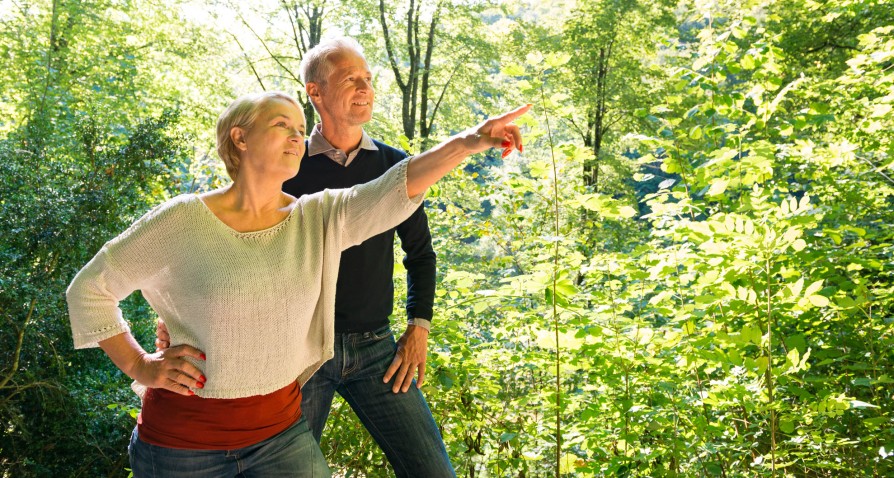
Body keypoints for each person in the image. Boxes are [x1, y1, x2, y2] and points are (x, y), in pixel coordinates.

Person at [66, 88, 529, 477]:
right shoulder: (182, 219)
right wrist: (142, 366)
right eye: (282, 125)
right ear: (240, 138)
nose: (297, 136)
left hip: (281, 441)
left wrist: (469, 141)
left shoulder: (317, 217)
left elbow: (397, 186)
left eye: (299, 127)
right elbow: (89, 291)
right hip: (182, 447)